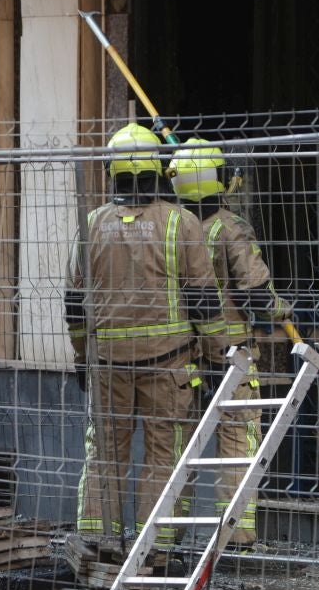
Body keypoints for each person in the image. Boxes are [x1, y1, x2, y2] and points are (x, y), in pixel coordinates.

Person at [66, 122, 216, 565]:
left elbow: (74, 303)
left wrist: (82, 357)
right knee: (163, 454)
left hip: (107, 363)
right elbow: (205, 301)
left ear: (112, 171)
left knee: (104, 452)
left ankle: (98, 544)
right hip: (169, 364)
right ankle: (158, 549)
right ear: (158, 170)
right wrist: (216, 358)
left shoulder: (92, 224)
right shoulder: (181, 222)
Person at [171, 138, 289, 548]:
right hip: (232, 353)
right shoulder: (230, 226)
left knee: (180, 445)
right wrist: (284, 310)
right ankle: (237, 535)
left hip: (184, 353)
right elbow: (256, 292)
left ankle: (167, 534)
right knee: (238, 440)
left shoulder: (173, 227)